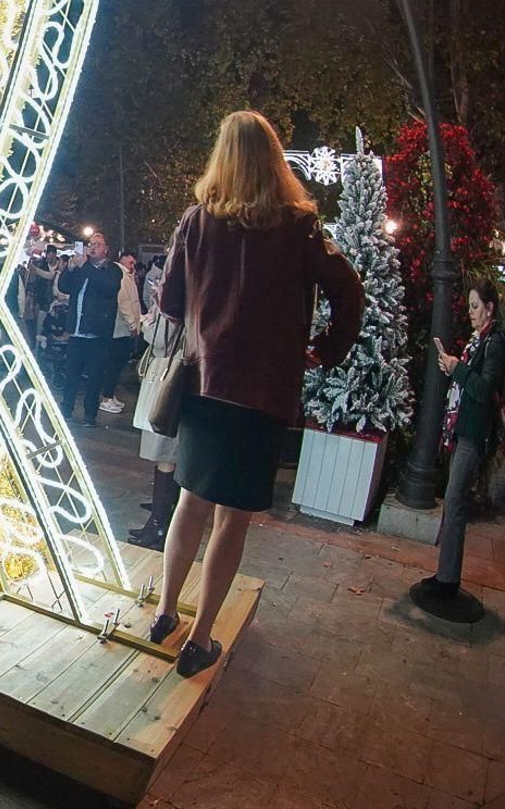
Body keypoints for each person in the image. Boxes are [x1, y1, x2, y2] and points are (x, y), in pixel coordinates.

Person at [150, 111, 361, 677]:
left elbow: (170, 304)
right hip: (263, 392)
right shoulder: (299, 226)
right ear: (274, 160)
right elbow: (349, 291)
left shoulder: (195, 222)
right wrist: (325, 347)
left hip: (205, 385)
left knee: (189, 502)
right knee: (231, 519)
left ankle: (166, 612)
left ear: (222, 157)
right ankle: (200, 640)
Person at [421, 278, 505, 598]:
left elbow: (482, 389)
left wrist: (457, 368)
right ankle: (444, 575)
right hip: (463, 429)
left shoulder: (495, 343)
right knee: (453, 499)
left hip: (474, 433)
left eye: (476, 307)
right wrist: (452, 367)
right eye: (470, 307)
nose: (471, 313)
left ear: (489, 308)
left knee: (455, 499)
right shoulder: (481, 340)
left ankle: (448, 581)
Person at [128, 252, 178, 551]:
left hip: (167, 378)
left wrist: (149, 322)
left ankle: (159, 524)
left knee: (165, 453)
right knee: (165, 454)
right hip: (170, 376)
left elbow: (161, 338)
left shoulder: (175, 298)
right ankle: (159, 518)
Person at [56, 233, 124, 427]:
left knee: (94, 377)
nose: (92, 247)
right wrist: (68, 270)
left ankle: (90, 415)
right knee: (72, 375)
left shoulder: (112, 270)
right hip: (76, 333)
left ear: (106, 249)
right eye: (90, 244)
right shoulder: (80, 269)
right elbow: (64, 287)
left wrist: (84, 266)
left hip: (97, 335)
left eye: (97, 244)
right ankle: (66, 409)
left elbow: (108, 288)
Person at [98, 250, 142, 416]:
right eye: (131, 263)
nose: (133, 267)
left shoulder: (127, 276)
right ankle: (107, 397)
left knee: (117, 365)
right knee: (114, 365)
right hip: (120, 330)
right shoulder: (121, 277)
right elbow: (123, 302)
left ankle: (110, 394)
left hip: (124, 329)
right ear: (123, 260)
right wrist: (132, 324)